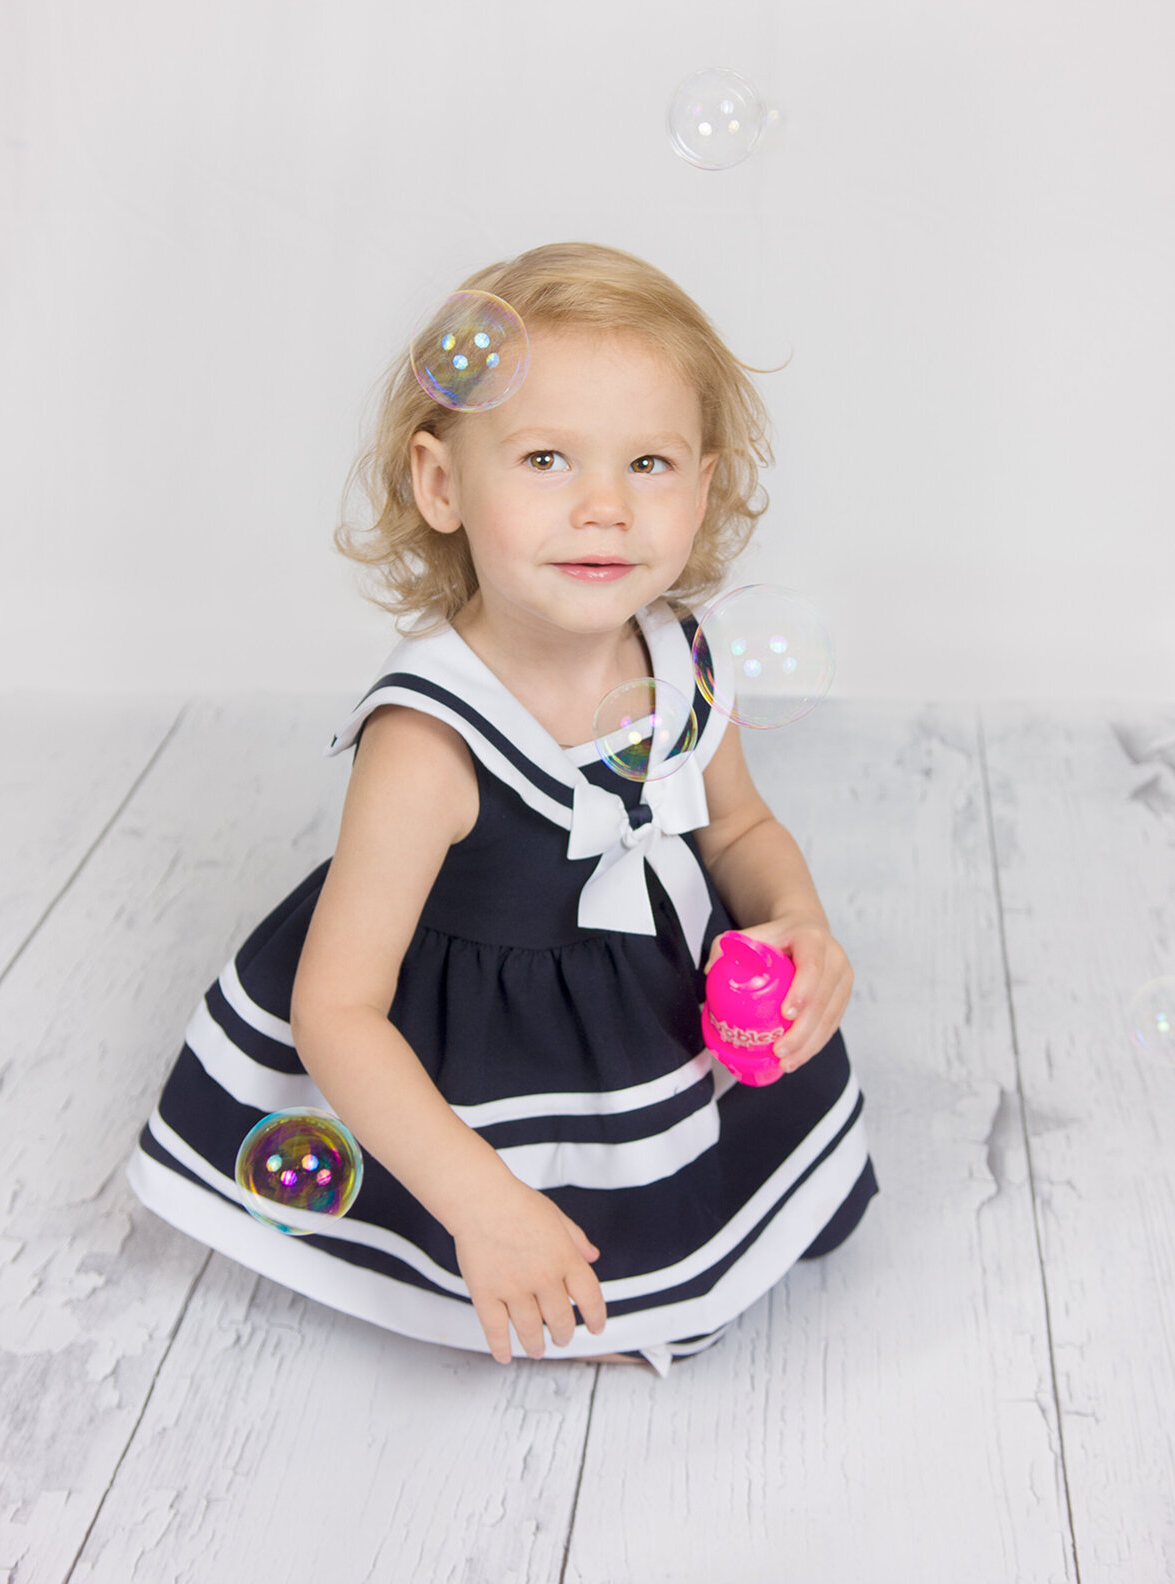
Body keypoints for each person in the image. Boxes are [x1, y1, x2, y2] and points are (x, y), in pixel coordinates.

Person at [128, 241, 877, 1376]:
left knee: (714, 1175)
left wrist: (800, 923)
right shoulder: (428, 740)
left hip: (650, 1002)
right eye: (544, 458)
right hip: (478, 1035)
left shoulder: (679, 657)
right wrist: (486, 1205)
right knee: (534, 1225)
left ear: (705, 488)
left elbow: (736, 831)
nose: (604, 507)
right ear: (442, 486)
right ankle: (506, 1239)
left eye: (650, 463)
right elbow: (338, 1012)